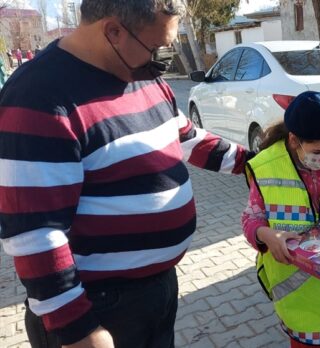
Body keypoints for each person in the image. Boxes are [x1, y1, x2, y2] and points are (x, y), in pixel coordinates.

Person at [0, 1, 252, 347]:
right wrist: (77, 330)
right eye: (155, 46)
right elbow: (34, 232)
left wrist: (253, 164)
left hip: (155, 292)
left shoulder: (140, 74)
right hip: (97, 308)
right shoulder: (38, 98)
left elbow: (186, 137)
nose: (160, 59)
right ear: (114, 31)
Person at [242, 91, 320, 348]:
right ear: (294, 140)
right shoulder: (266, 168)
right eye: (317, 151)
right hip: (297, 297)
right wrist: (268, 236)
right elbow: (251, 220)